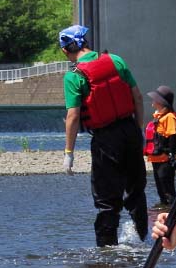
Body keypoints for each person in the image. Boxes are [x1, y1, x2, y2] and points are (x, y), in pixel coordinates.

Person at [59, 24, 149, 246]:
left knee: (107, 200)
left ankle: (107, 253)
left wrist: (68, 153)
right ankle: (144, 241)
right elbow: (137, 97)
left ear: (65, 50)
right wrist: (139, 132)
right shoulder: (115, 60)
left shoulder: (74, 77)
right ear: (86, 42)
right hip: (130, 130)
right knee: (136, 191)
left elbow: (73, 116)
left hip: (105, 139)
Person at [143, 85, 176, 207]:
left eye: (155, 99)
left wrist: (171, 157)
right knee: (162, 192)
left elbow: (172, 136)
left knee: (168, 192)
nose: (153, 102)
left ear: (161, 102)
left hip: (164, 160)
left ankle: (172, 214)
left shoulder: (169, 117)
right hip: (156, 160)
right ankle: (164, 211)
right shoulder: (159, 117)